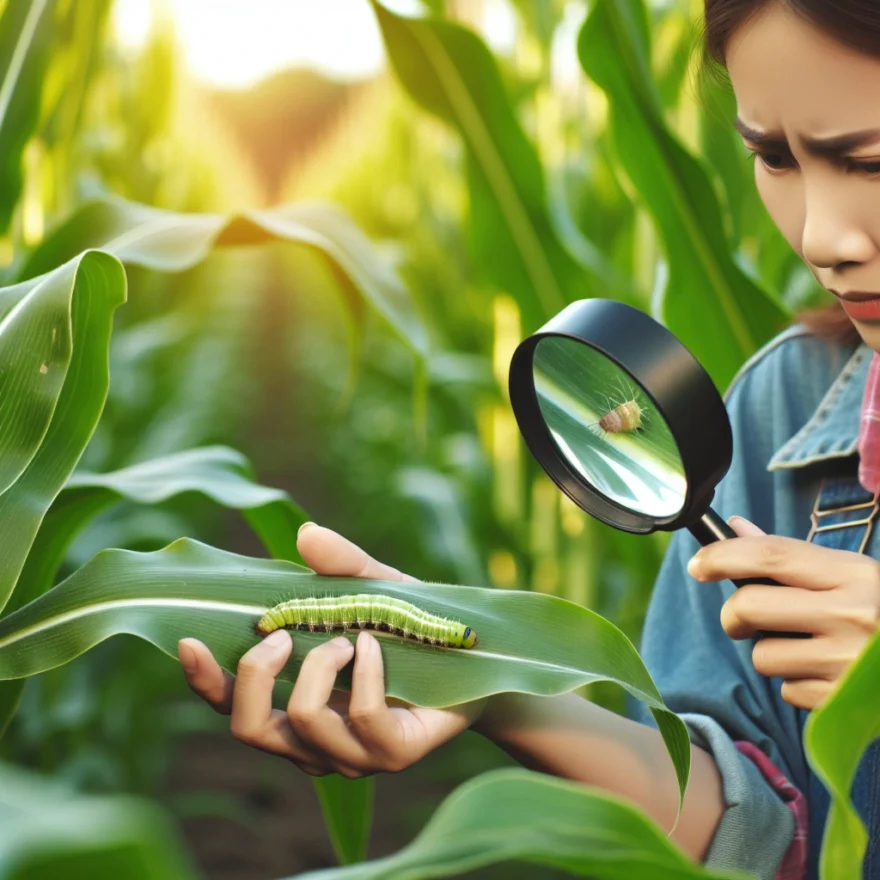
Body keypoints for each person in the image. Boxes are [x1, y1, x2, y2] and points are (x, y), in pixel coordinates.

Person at [177, 2, 880, 878]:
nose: (824, 237)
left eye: (870, 160)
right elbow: (761, 835)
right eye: (773, 156)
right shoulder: (783, 407)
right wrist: (484, 676)